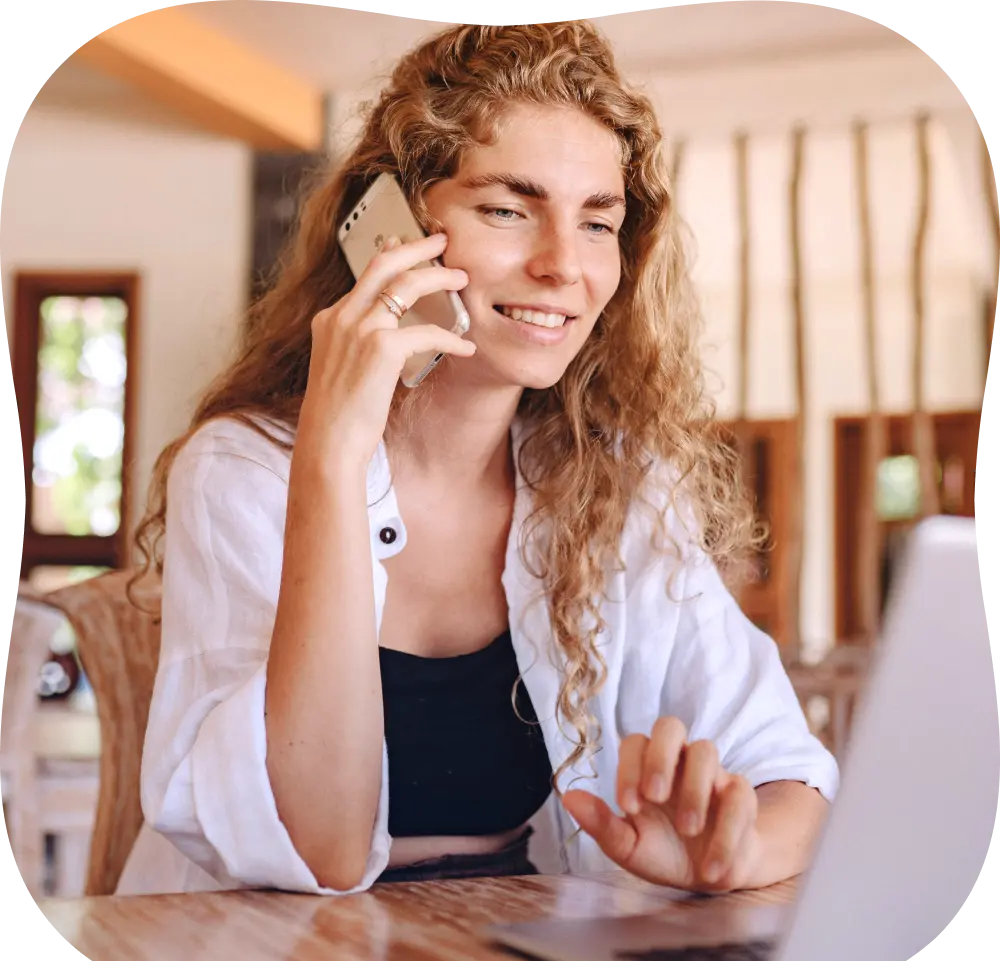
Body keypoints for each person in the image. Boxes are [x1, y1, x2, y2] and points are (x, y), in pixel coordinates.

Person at [117, 20, 837, 897]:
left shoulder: (619, 485)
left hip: (511, 935)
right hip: (266, 949)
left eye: (597, 223)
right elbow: (323, 850)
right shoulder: (243, 471)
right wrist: (333, 458)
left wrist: (736, 852)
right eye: (506, 210)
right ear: (387, 230)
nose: (563, 266)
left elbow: (792, 777)